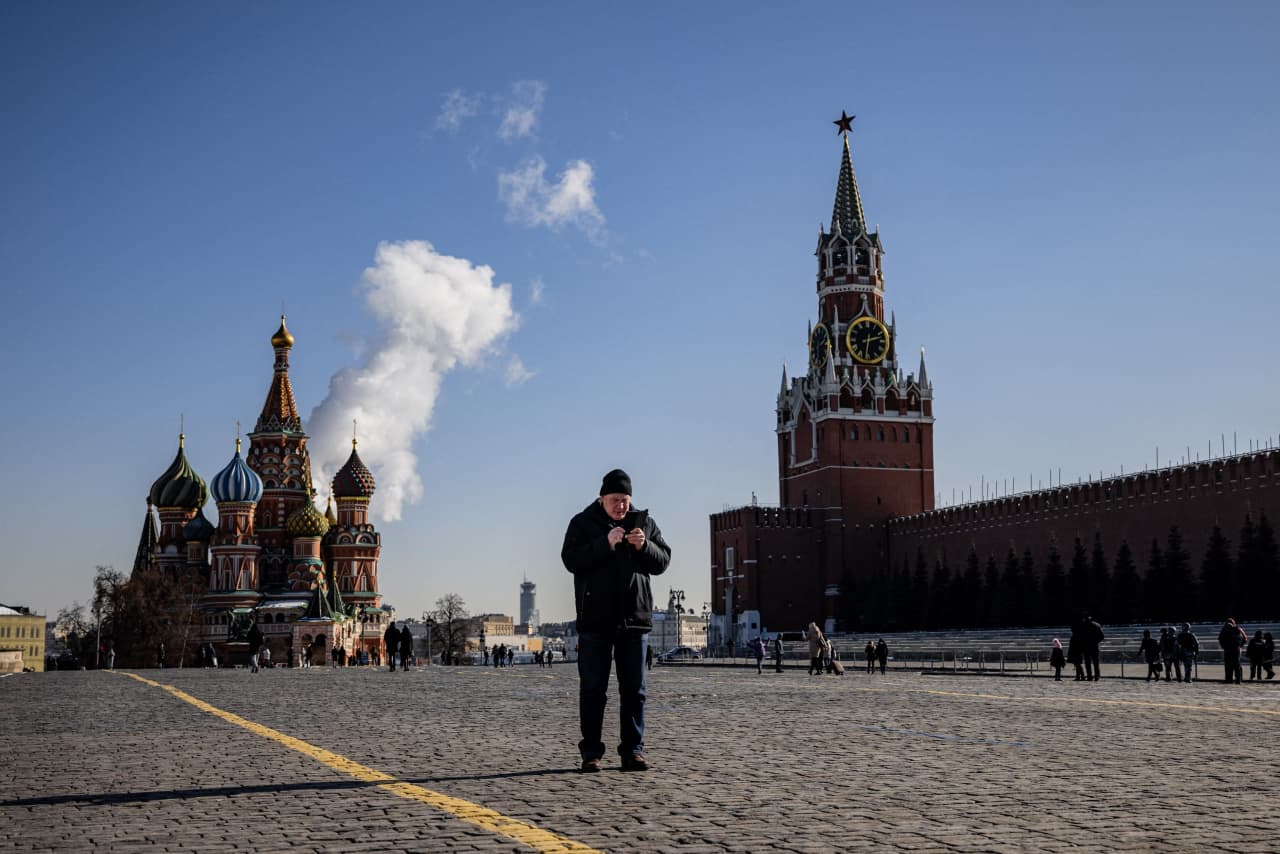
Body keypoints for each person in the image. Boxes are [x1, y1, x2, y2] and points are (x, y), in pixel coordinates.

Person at [561, 468, 671, 773]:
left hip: (635, 620)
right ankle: (591, 752)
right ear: (602, 498)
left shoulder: (645, 523)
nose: (621, 506)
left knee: (635, 690)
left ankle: (633, 751)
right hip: (595, 621)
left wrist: (644, 546)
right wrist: (605, 544)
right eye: (615, 500)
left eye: (625, 500)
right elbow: (571, 559)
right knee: (593, 690)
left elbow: (663, 561)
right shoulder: (582, 523)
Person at [1218, 618, 1245, 684]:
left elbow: (1220, 639)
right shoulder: (1238, 629)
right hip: (1236, 649)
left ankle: (1228, 679)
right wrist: (1240, 646)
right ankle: (1238, 680)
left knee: (1228, 665)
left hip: (1228, 650)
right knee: (1237, 665)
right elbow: (1244, 638)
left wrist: (1224, 647)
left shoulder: (1223, 630)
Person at [1078, 614, 1104, 681]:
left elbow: (1080, 637)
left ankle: (1089, 676)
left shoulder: (1083, 626)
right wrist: (1095, 642)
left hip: (1086, 647)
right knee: (1096, 663)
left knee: (1088, 663)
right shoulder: (1097, 625)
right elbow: (1102, 637)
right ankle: (1097, 676)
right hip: (1095, 646)